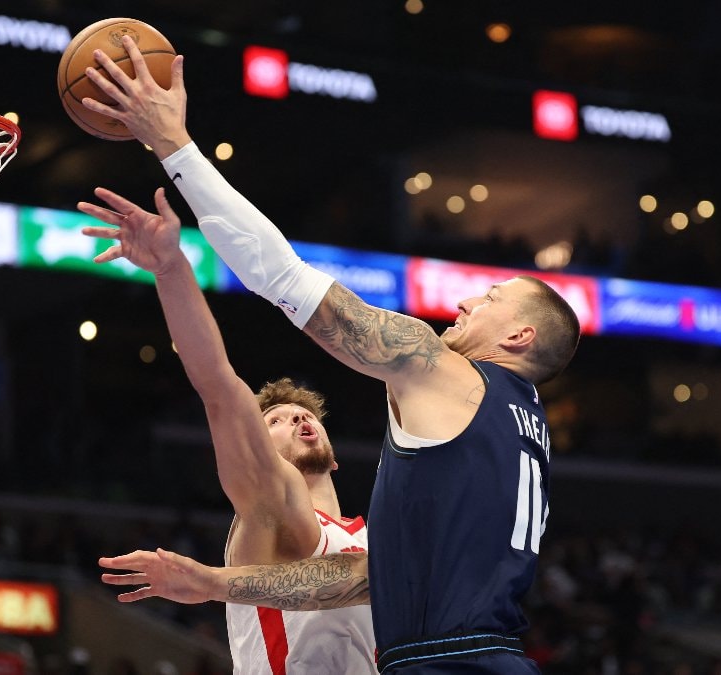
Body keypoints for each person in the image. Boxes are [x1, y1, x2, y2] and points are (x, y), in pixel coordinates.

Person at [81, 37, 580, 673]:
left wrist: (172, 144)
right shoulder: (524, 427)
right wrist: (213, 583)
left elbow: (282, 275)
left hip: (447, 659)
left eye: (490, 299)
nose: (464, 303)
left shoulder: (447, 374)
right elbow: (352, 578)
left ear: (518, 338)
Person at [81, 188, 375, 674]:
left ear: (334, 452)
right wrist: (171, 269)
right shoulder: (271, 501)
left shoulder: (372, 541)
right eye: (274, 421)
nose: (297, 419)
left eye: (304, 416)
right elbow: (218, 385)